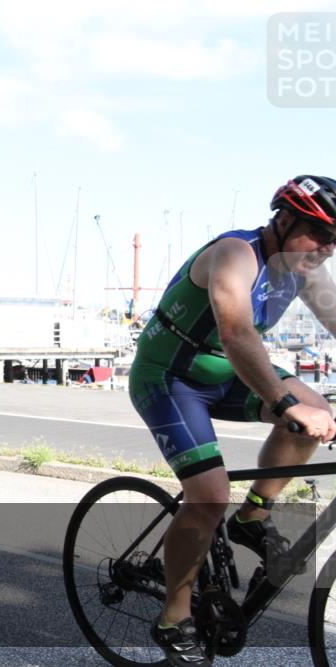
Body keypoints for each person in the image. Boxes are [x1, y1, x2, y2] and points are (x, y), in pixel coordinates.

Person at [130, 175, 336, 666]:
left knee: (321, 410)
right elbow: (238, 332)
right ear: (284, 220)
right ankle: (173, 617)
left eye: (335, 241)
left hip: (226, 374)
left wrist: (300, 406)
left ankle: (253, 517)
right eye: (319, 234)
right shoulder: (236, 254)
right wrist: (287, 406)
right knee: (209, 494)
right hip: (169, 377)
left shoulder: (303, 269)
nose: (326, 250)